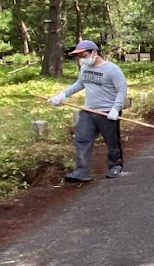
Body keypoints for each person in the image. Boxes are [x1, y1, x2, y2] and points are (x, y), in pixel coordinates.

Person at [49, 39, 128, 182]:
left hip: (107, 112)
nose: (82, 59)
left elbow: (121, 90)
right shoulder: (85, 69)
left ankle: (115, 166)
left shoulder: (112, 70)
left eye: (84, 55)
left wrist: (116, 108)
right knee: (81, 139)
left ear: (95, 53)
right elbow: (80, 84)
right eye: (79, 57)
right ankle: (82, 170)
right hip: (88, 111)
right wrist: (62, 95)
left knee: (111, 141)